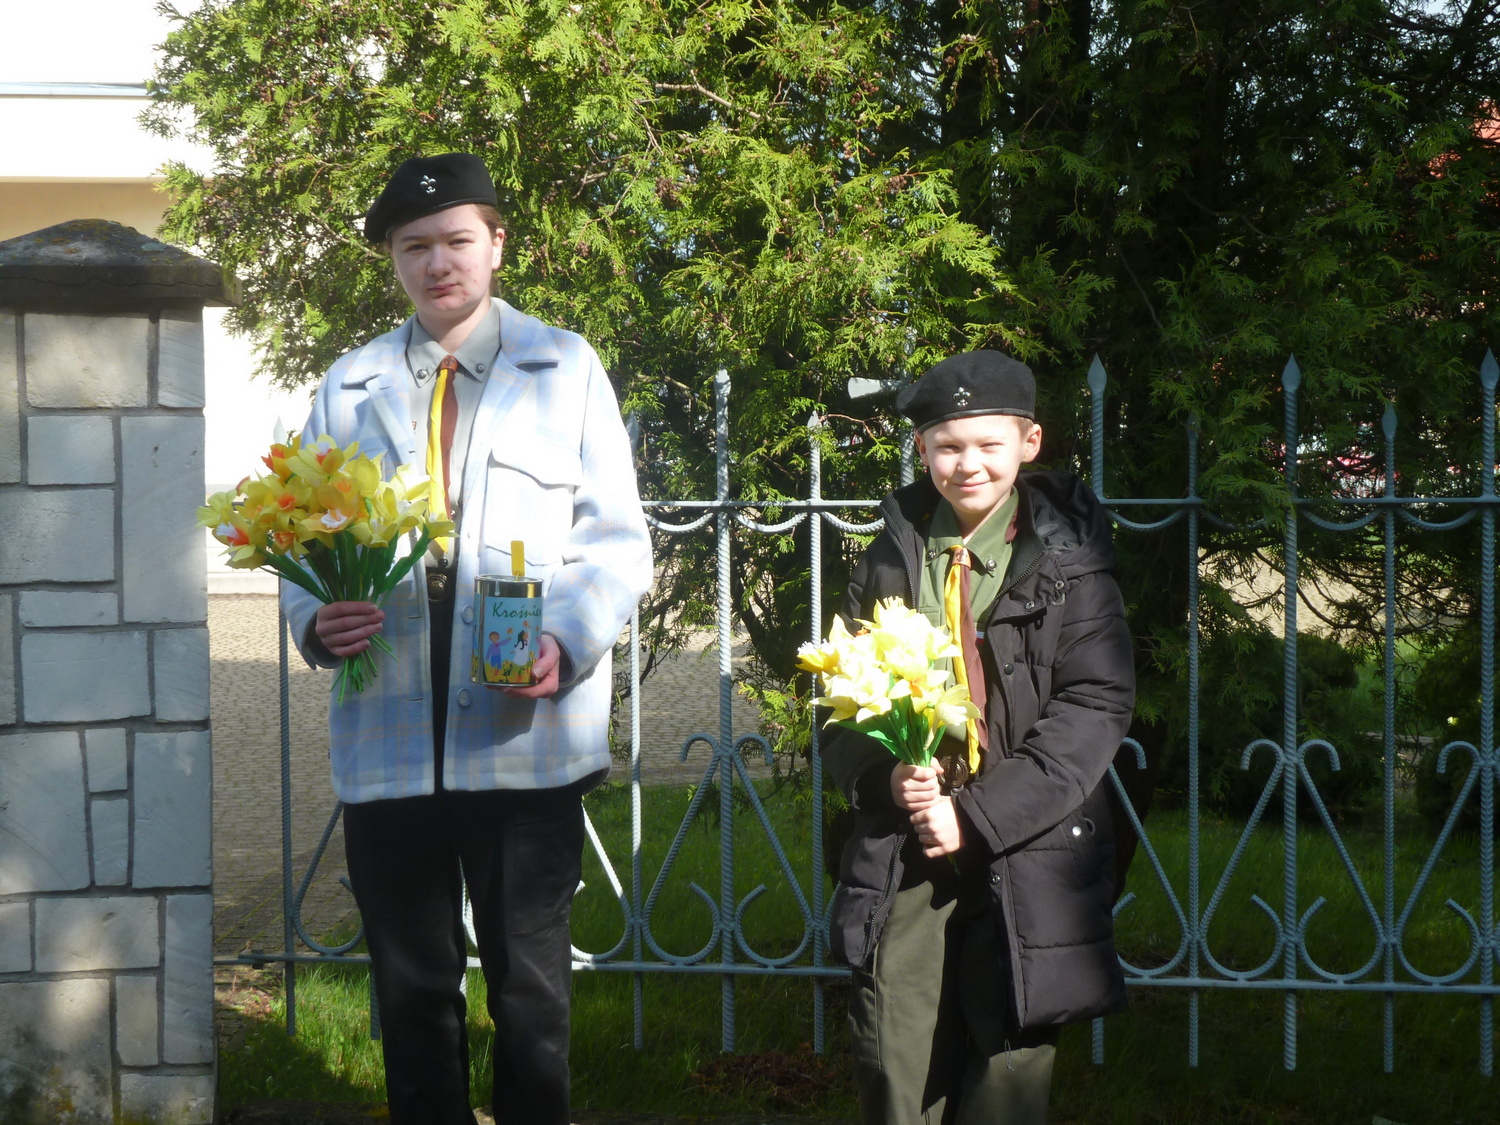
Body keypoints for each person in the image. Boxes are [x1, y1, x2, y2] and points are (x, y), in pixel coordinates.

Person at [281, 153, 652, 1125]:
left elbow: (616, 539)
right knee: (411, 989)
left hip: (523, 726)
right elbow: (299, 533)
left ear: (496, 245)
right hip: (390, 724)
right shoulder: (351, 385)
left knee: (531, 993)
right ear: (394, 261)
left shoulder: (564, 367)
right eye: (415, 247)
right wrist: (314, 619)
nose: (437, 263)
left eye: (456, 240)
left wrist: (566, 638)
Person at [822, 350, 1135, 1125]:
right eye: (948, 446)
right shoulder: (891, 554)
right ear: (922, 449)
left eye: (989, 444)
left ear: (1030, 442)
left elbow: (1094, 704)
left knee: (1006, 1068)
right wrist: (884, 776)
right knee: (894, 1056)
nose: (968, 464)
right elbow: (840, 696)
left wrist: (976, 815)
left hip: (1027, 838)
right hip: (906, 844)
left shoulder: (1071, 559)